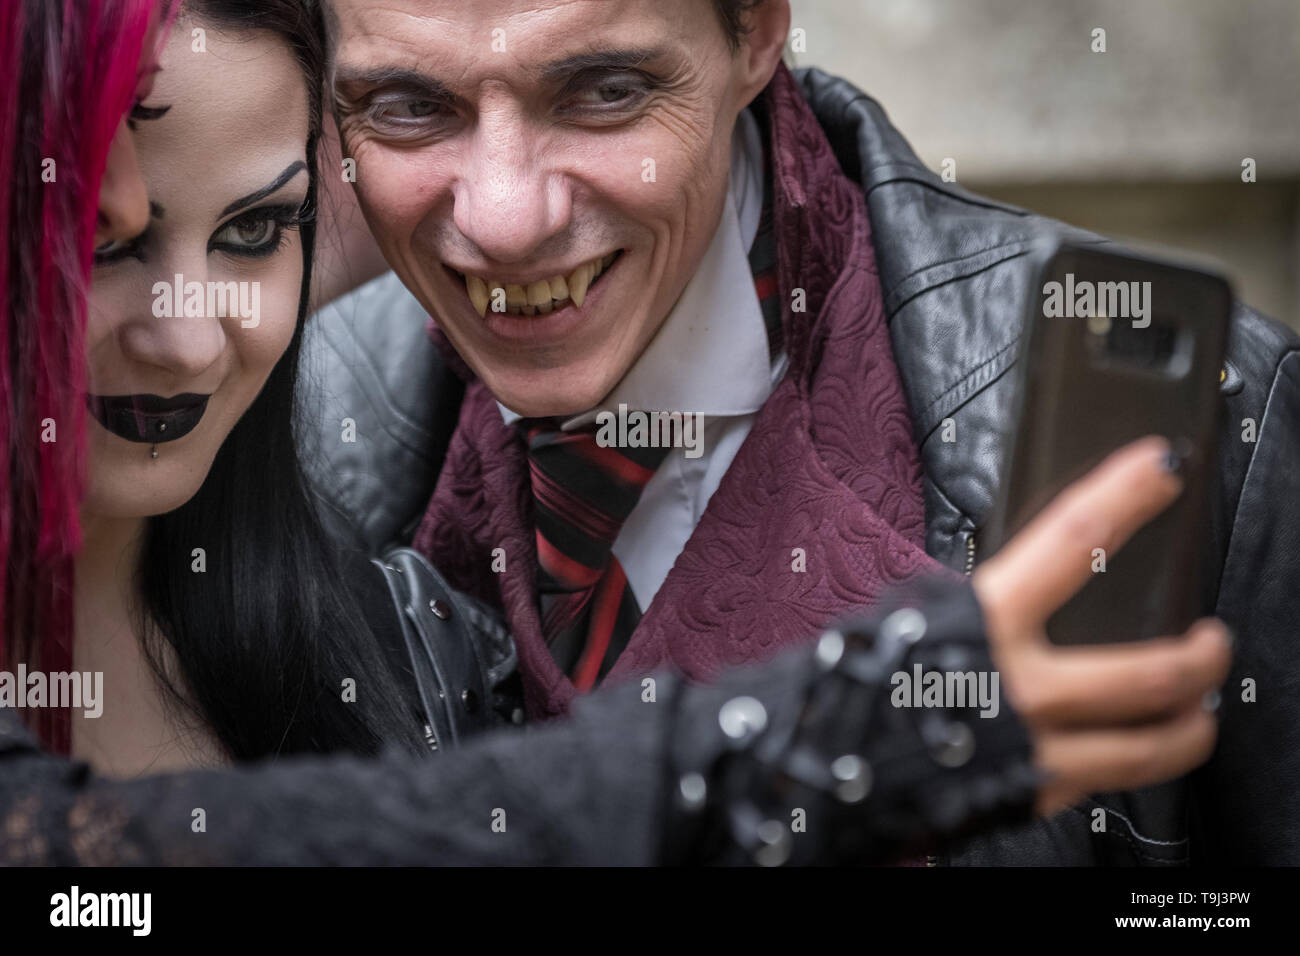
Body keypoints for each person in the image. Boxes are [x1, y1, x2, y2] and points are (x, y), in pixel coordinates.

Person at [0, 0, 1231, 866]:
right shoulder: (344, 430)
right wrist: (831, 741)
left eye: (603, 90)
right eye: (409, 106)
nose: (507, 217)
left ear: (756, 28)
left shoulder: (380, 628)